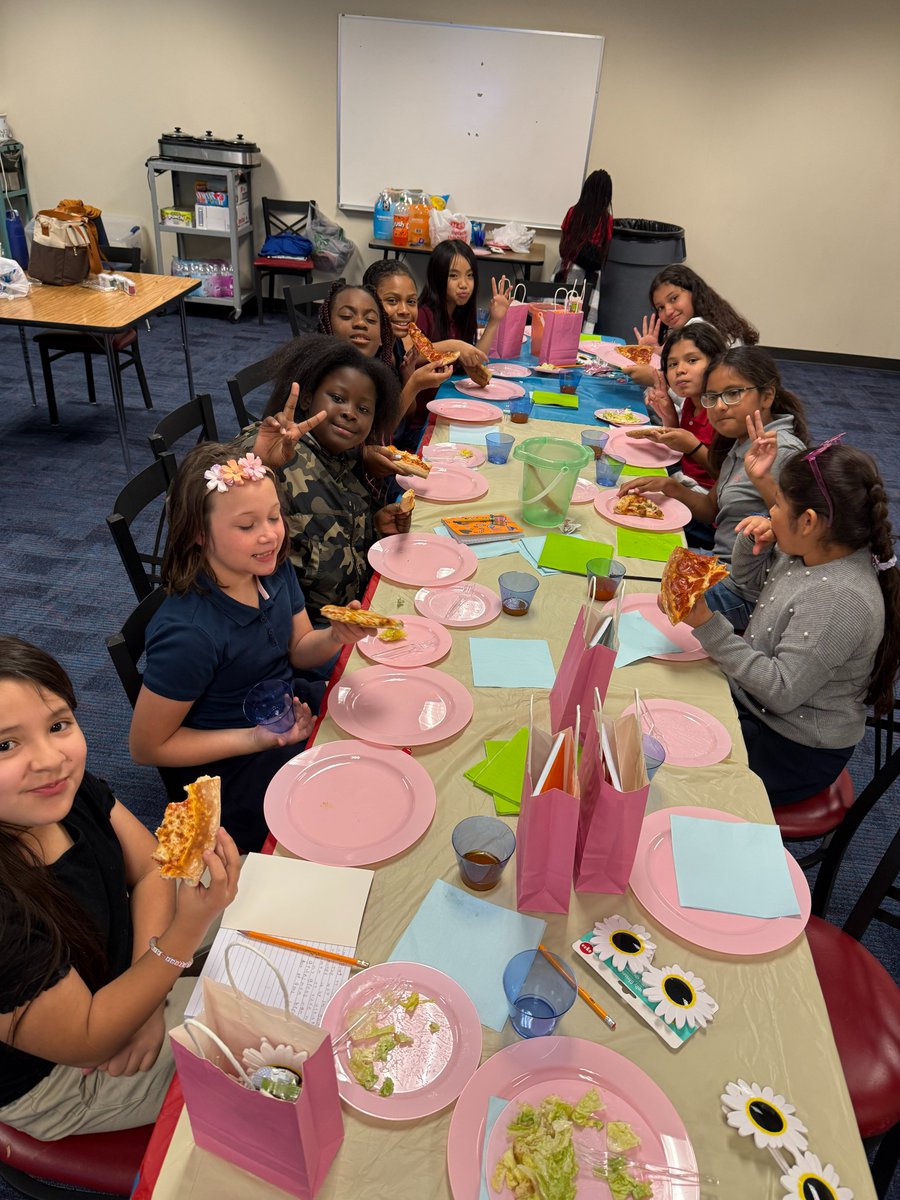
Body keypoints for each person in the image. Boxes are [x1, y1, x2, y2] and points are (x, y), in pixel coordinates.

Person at [0, 636, 241, 1139]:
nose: (50, 759)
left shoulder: (64, 790)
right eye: (5, 745)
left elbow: (152, 869)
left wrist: (148, 998)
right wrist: (182, 937)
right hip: (65, 1074)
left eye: (58, 725)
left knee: (267, 903)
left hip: (113, 970)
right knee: (257, 1033)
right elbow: (88, 1039)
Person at [130, 441, 370, 853]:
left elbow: (298, 649)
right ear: (199, 537)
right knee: (343, 818)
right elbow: (146, 746)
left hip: (283, 708)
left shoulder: (272, 571)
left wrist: (333, 637)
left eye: (275, 517)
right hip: (234, 765)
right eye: (246, 526)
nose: (270, 535)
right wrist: (256, 739)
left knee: (367, 722)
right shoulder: (190, 635)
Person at [673, 436, 900, 807]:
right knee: (668, 699)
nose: (770, 511)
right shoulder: (809, 552)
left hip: (792, 747)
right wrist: (750, 542)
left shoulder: (840, 599)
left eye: (777, 503)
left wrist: (707, 624)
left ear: (808, 521)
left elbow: (781, 691)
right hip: (757, 704)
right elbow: (751, 588)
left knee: (673, 764)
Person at [619, 346, 810, 629]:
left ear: (767, 395)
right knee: (633, 559)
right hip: (718, 565)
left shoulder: (782, 452)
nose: (720, 406)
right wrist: (670, 487)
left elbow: (801, 538)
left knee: (634, 604)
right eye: (712, 397)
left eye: (733, 394)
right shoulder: (742, 439)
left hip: (746, 591)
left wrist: (763, 481)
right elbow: (712, 511)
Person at [250, 336, 411, 624]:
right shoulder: (279, 449)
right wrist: (259, 462)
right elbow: (209, 484)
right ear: (309, 398)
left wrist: (373, 528)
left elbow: (332, 535)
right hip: (298, 628)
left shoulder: (343, 459)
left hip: (351, 611)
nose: (349, 413)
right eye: (337, 398)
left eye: (363, 410)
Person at [624, 321, 727, 492]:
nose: (680, 370)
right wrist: (669, 415)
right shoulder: (690, 401)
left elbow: (726, 474)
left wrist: (692, 446)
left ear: (716, 362)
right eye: (672, 364)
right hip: (684, 475)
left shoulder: (722, 411)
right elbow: (680, 448)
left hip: (709, 495)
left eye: (692, 360)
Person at [626, 264, 760, 387]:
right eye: (660, 307)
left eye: (674, 298)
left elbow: (695, 394)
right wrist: (657, 355)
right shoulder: (715, 320)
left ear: (694, 292)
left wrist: (657, 379)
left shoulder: (698, 329)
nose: (668, 311)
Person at [416, 239, 512, 356]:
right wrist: (454, 346)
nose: (464, 284)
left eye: (470, 275)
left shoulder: (460, 312)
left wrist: (494, 320)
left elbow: (476, 359)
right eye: (454, 276)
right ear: (437, 277)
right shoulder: (423, 314)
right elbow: (409, 356)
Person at [555, 168, 613, 280]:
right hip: (591, 273)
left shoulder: (573, 212)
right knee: (586, 297)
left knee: (561, 296)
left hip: (568, 267)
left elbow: (563, 246)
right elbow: (605, 250)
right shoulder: (607, 219)